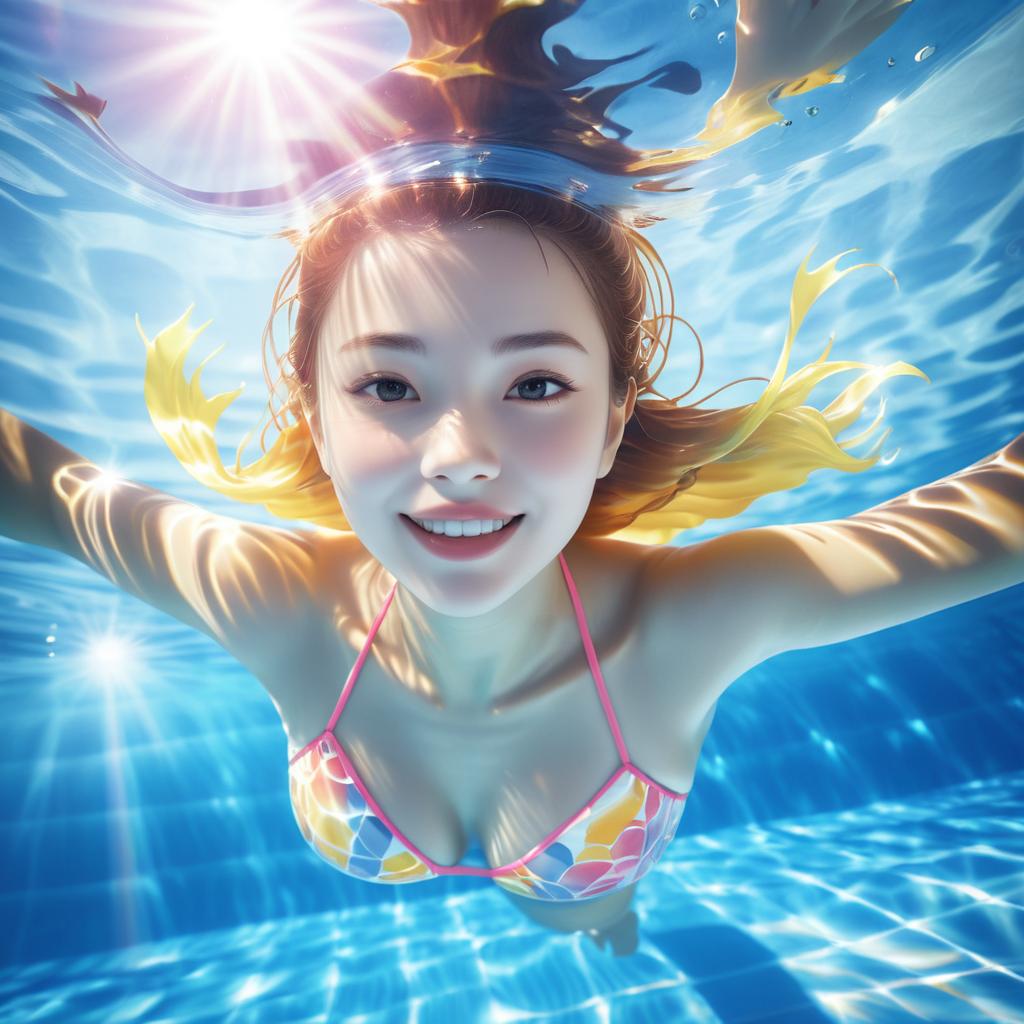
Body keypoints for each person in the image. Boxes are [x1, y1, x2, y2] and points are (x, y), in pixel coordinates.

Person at [7, 0, 1022, 960]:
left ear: (613, 414)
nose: (459, 455)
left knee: (577, 906)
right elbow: (42, 486)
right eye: (390, 385)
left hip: (576, 869)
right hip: (551, 836)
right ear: (313, 415)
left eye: (535, 383)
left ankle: (609, 920)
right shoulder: (273, 601)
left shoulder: (690, 620)